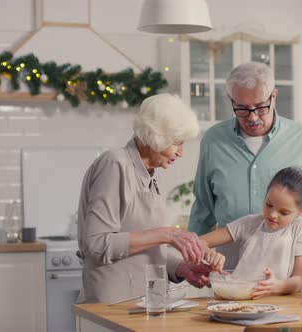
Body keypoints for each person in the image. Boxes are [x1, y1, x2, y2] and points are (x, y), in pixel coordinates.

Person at [188, 62, 302, 270]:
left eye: (260, 106)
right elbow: (202, 210)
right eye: (241, 108)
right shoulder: (213, 141)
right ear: (231, 100)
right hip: (229, 270)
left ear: (274, 95)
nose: (252, 117)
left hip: (287, 271)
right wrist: (193, 261)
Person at [77, 94, 211, 304]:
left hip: (145, 303)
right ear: (156, 136)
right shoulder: (115, 164)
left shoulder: (149, 177)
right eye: (177, 143)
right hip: (112, 306)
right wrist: (166, 234)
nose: (181, 153)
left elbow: (146, 249)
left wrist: (182, 268)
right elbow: (95, 244)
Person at [200, 167, 302, 299]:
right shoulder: (249, 223)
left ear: (301, 212)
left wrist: (276, 286)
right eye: (269, 204)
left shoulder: (301, 228)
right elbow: (199, 242)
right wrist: (209, 253)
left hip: (279, 303)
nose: (272, 215)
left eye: (284, 212)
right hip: (237, 299)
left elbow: (299, 279)